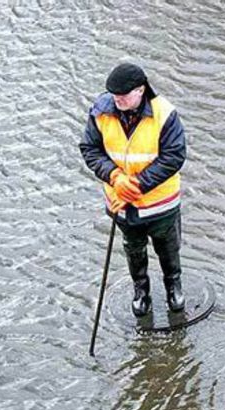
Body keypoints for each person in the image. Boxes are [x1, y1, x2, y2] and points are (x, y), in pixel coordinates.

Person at [79, 63, 186, 317]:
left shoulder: (165, 114)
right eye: (114, 95)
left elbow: (174, 156)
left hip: (160, 204)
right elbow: (90, 149)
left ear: (141, 90)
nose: (117, 100)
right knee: (133, 249)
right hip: (122, 206)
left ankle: (174, 286)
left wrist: (136, 184)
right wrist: (114, 176)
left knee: (168, 248)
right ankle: (141, 291)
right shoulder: (100, 111)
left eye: (123, 96)